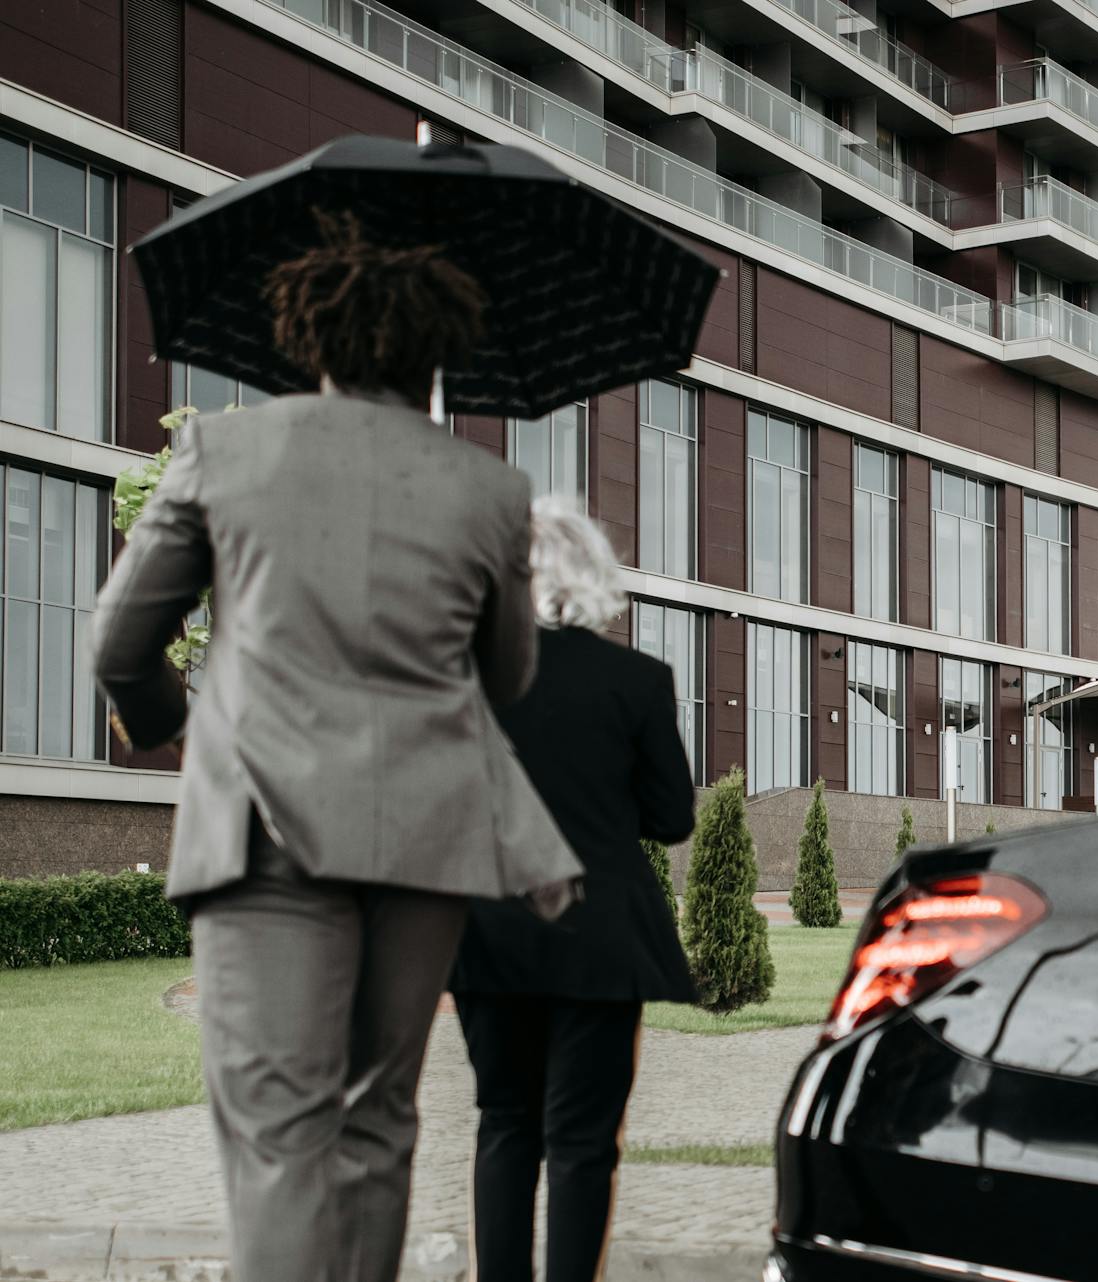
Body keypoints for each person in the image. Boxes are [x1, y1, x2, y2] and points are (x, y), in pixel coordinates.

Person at [91, 212, 582, 1282]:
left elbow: (117, 641)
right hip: (421, 843)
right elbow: (504, 679)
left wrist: (174, 719)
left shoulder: (223, 451)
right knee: (376, 1123)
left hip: (260, 836)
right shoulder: (490, 492)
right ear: (434, 353)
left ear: (306, 339)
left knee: (279, 1137)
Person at [449, 497, 697, 1282]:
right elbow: (671, 819)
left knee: (504, 1124)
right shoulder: (638, 680)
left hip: (490, 931)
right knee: (584, 1141)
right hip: (602, 938)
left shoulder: (463, 682)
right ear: (592, 578)